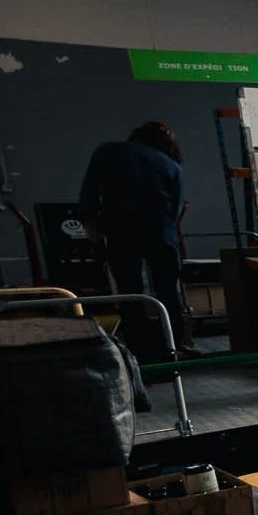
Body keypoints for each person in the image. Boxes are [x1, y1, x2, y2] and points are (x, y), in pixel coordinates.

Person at [78, 121, 191, 359]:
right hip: (160, 231)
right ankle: (174, 345)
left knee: (130, 292)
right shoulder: (171, 166)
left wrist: (90, 222)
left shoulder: (108, 151)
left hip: (121, 230)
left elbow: (90, 189)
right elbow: (176, 207)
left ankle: (137, 350)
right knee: (168, 290)